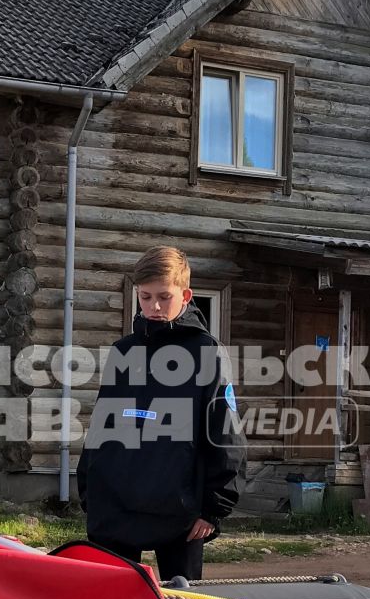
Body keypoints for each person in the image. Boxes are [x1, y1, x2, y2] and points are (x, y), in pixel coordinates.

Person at [77, 245, 245, 581]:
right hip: (115, 507)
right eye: (145, 297)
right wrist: (88, 489)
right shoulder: (122, 352)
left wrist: (214, 510)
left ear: (185, 295)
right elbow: (102, 427)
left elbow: (224, 432)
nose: (153, 307)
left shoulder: (207, 353)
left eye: (164, 297)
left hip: (181, 512)